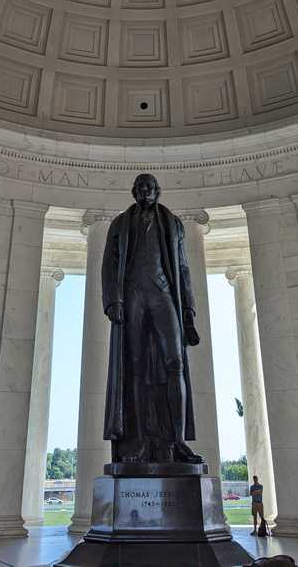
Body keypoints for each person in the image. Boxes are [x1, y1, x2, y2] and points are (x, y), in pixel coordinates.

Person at [101, 173, 202, 463]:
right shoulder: (120, 224)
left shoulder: (173, 223)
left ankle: (177, 441)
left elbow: (182, 269)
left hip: (164, 293)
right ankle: (141, 441)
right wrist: (113, 302)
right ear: (134, 192)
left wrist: (189, 314)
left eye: (150, 187)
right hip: (132, 295)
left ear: (157, 191)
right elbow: (110, 264)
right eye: (140, 187)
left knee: (176, 363)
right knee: (135, 368)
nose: (145, 190)